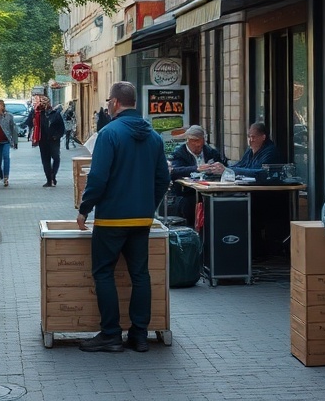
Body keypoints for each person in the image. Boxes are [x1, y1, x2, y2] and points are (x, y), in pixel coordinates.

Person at [76, 81, 170, 353]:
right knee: (140, 275)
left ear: (115, 103)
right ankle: (139, 336)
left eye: (108, 101)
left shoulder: (109, 134)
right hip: (142, 219)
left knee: (103, 273)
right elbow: (163, 178)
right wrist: (148, 206)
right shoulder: (153, 136)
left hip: (112, 219)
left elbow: (98, 177)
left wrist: (85, 208)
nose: (107, 105)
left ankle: (111, 334)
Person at [168, 125, 226, 226]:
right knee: (190, 204)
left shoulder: (211, 152)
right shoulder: (179, 153)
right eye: (194, 144)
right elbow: (175, 171)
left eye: (200, 144)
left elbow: (224, 166)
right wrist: (196, 168)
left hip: (210, 188)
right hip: (187, 192)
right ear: (188, 141)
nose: (198, 147)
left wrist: (219, 169)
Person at [28, 95, 65, 187]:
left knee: (56, 158)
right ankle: (49, 180)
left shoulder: (55, 114)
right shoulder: (37, 114)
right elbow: (28, 123)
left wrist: (56, 136)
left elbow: (61, 128)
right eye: (41, 102)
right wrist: (33, 113)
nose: (43, 104)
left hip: (53, 140)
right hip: (43, 141)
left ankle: (53, 175)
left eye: (44, 102)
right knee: (45, 160)